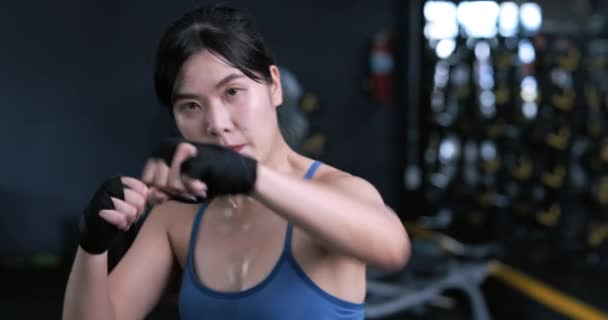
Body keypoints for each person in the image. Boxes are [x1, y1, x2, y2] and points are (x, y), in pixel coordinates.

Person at [63, 5, 410, 320]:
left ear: (274, 85)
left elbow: (392, 249)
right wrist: (92, 247)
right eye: (191, 106)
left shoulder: (337, 192)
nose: (217, 123)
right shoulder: (177, 216)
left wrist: (252, 177)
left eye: (232, 92)